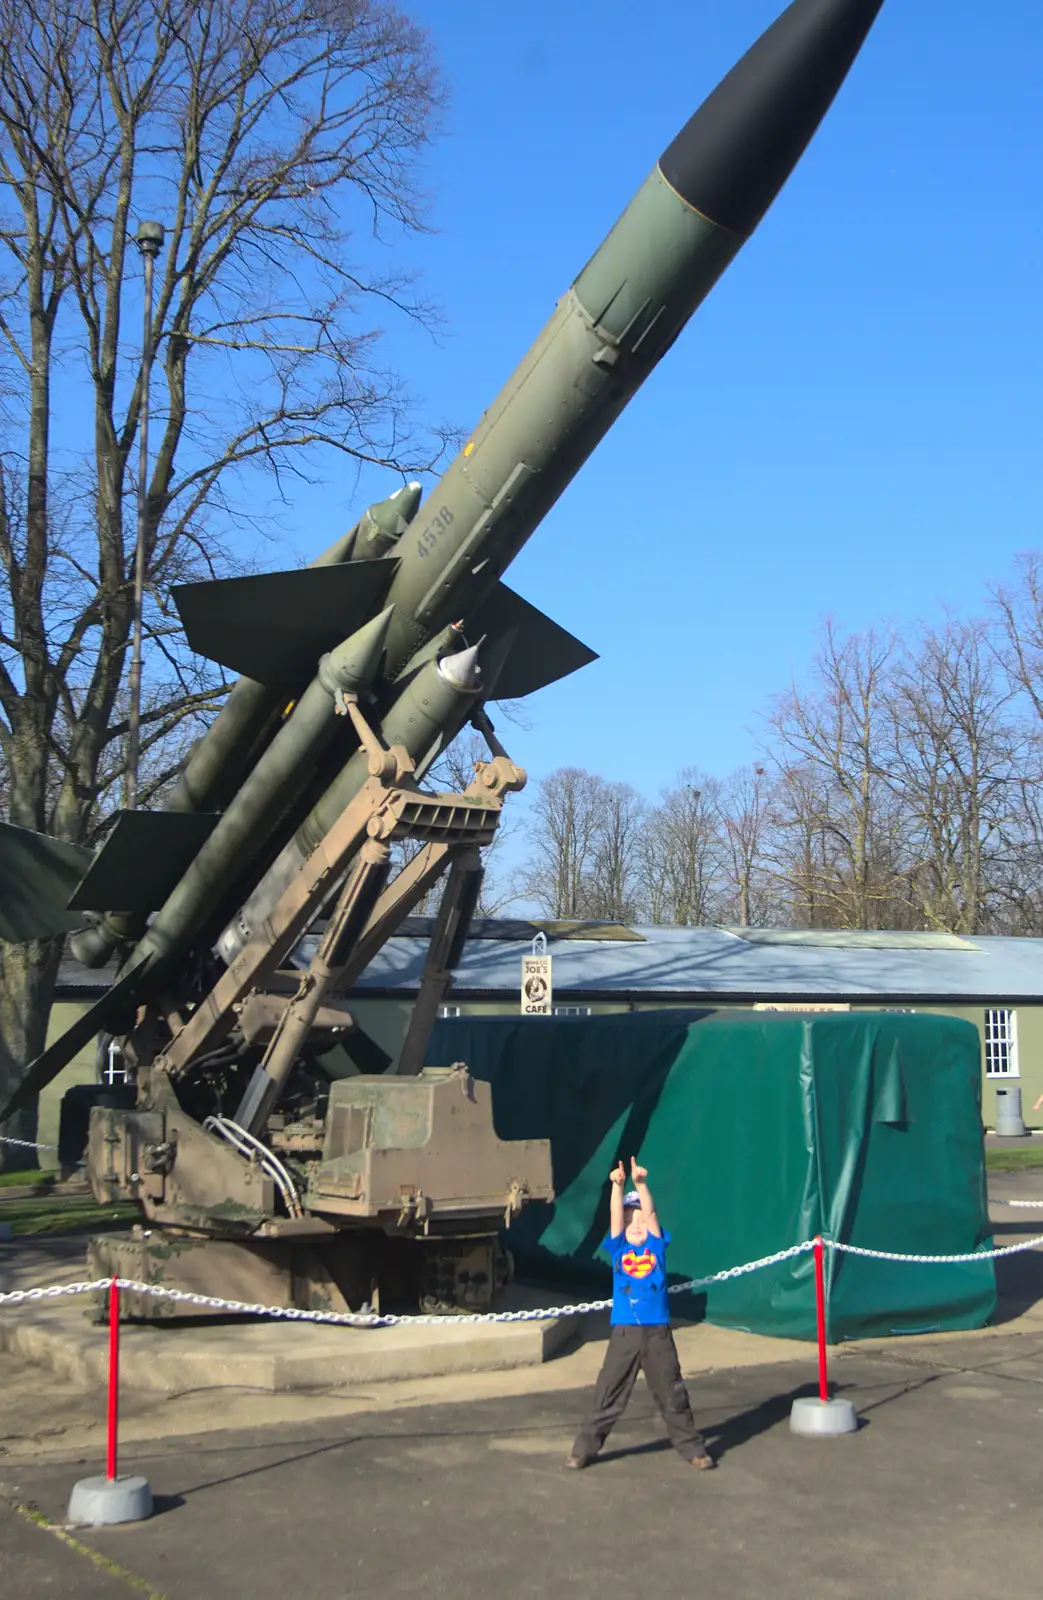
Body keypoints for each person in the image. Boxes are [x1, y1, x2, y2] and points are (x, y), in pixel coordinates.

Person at [565, 1157, 714, 1471]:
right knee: (608, 1394)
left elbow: (651, 1213)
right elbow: (615, 1215)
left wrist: (641, 1186)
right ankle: (583, 1450)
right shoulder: (619, 1248)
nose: (636, 1225)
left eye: (641, 1220)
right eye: (631, 1219)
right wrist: (618, 1187)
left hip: (658, 1333)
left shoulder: (657, 1247)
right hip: (624, 1334)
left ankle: (693, 1449)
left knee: (672, 1394)